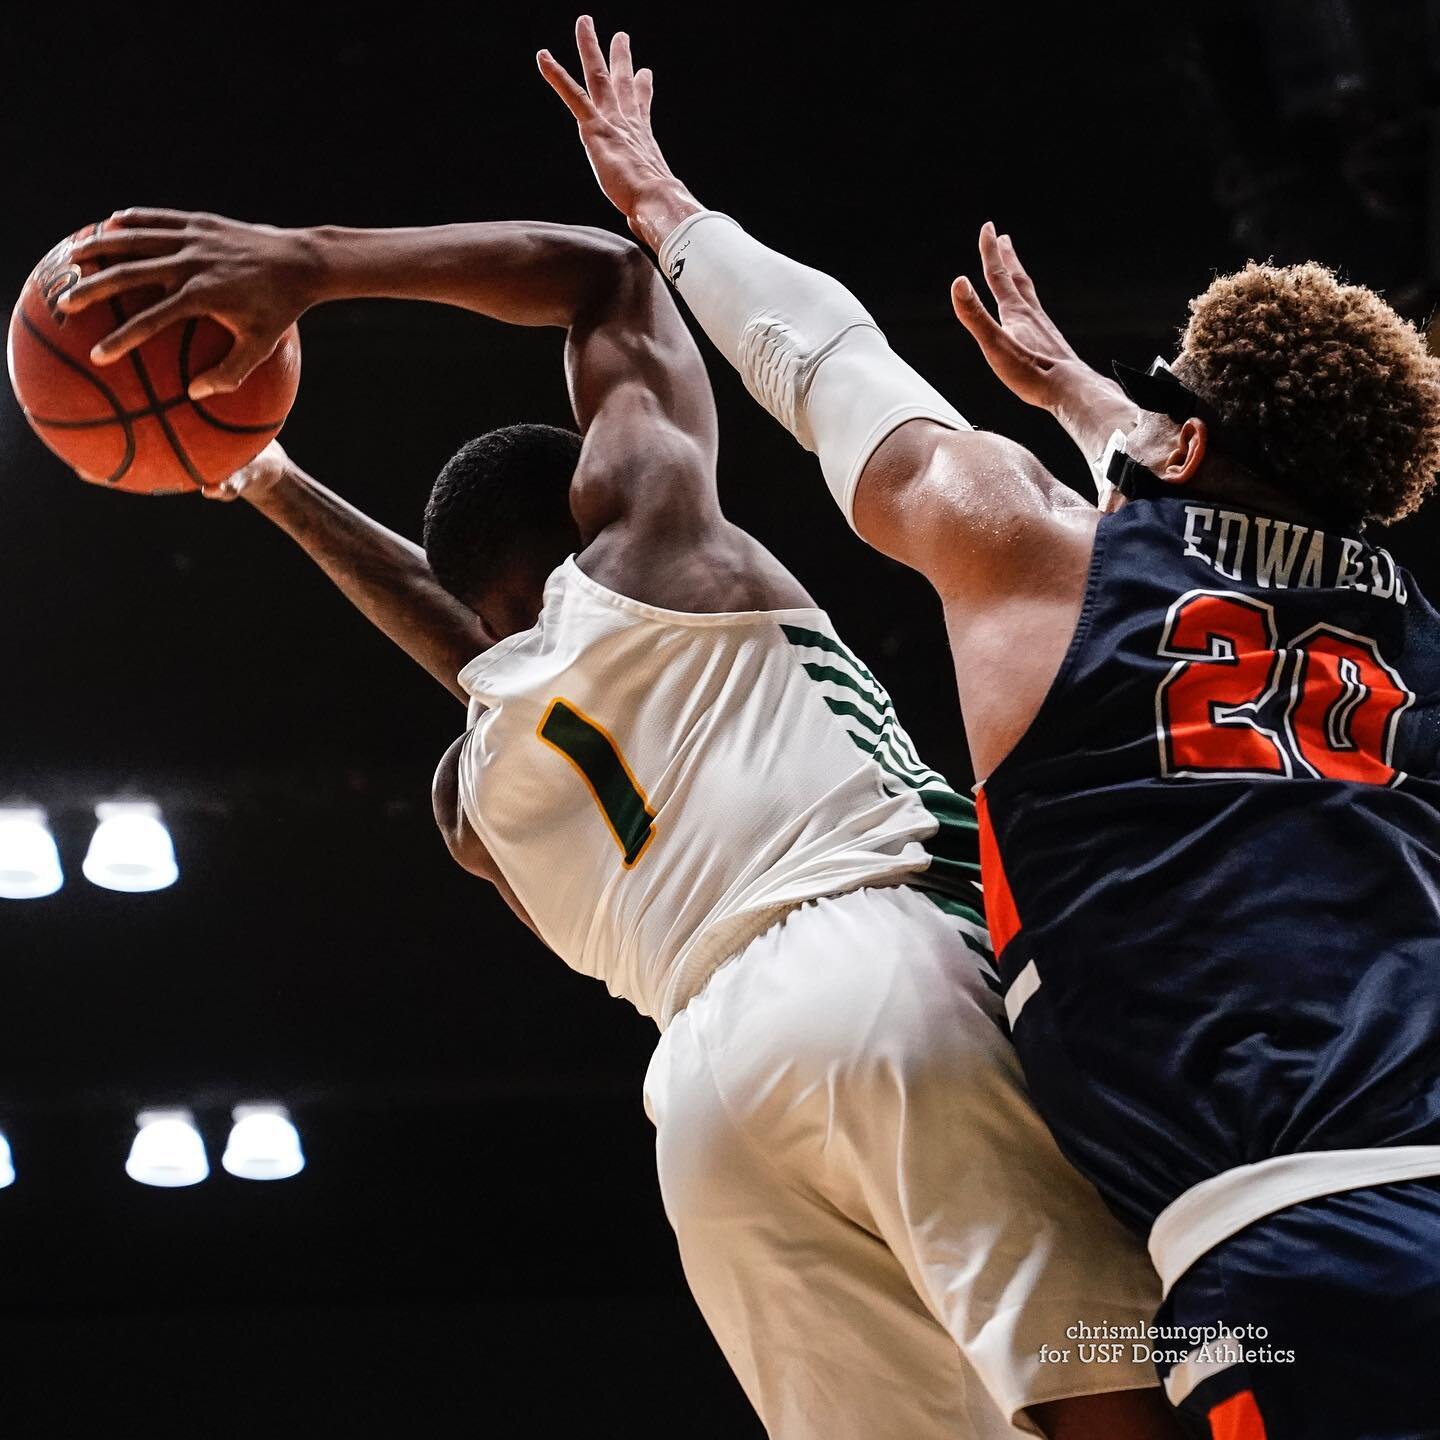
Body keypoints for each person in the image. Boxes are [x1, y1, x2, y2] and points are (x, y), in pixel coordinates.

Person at [61, 210, 1173, 1439]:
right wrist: (310, 265)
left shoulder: (469, 806)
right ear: (589, 507)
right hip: (873, 972)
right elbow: (606, 275)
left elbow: (488, 660)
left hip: (705, 1115)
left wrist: (270, 481)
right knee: (1124, 1370)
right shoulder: (661, 550)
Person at [539, 18, 1440, 1439]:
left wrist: (665, 208)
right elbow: (1244, 519)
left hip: (1275, 1262)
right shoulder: (1413, 643)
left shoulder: (1039, 554)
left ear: (1183, 444)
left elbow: (834, 360)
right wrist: (1099, 403)